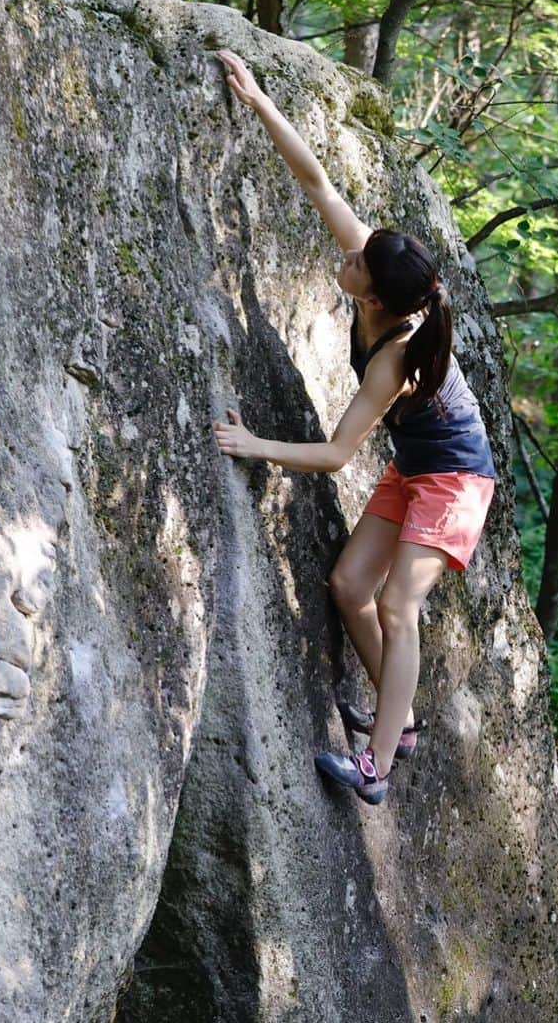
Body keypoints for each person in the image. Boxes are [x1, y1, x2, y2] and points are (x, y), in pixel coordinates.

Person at [212, 49, 495, 806]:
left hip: (457, 481)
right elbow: (318, 182)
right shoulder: (393, 278)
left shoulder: (392, 359)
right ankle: (396, 726)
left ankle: (375, 767)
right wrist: (259, 98)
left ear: (375, 298)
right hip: (417, 468)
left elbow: (339, 455)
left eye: (358, 265)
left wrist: (254, 447)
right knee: (347, 585)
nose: (349, 255)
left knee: (401, 606)